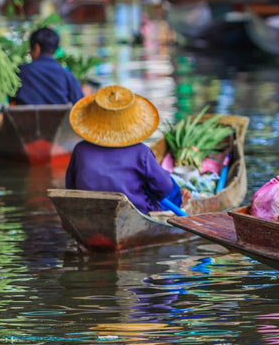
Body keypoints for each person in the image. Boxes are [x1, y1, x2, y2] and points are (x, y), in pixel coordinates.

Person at [65, 85, 189, 214]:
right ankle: (180, 204)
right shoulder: (141, 152)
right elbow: (165, 187)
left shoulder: (80, 150)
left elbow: (71, 186)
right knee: (170, 187)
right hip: (137, 211)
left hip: (89, 211)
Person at [12, 28, 84, 106]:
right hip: (59, 118)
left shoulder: (21, 72)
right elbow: (80, 105)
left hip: (24, 118)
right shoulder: (67, 74)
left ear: (36, 48)